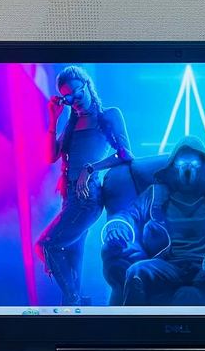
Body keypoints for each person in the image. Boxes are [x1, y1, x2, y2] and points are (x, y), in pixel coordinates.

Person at [103, 136, 205, 306]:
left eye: (194, 163)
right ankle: (130, 324)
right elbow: (129, 215)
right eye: (182, 163)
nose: (188, 169)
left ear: (204, 166)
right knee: (137, 271)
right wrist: (118, 226)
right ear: (172, 166)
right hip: (166, 265)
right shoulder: (154, 194)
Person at [35, 66, 133, 305]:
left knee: (46, 246)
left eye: (77, 93)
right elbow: (50, 156)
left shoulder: (108, 116)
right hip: (69, 198)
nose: (75, 101)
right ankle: (76, 309)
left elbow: (125, 154)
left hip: (87, 198)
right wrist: (53, 118)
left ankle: (75, 302)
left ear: (88, 85)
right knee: (70, 264)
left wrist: (90, 169)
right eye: (68, 98)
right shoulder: (72, 122)